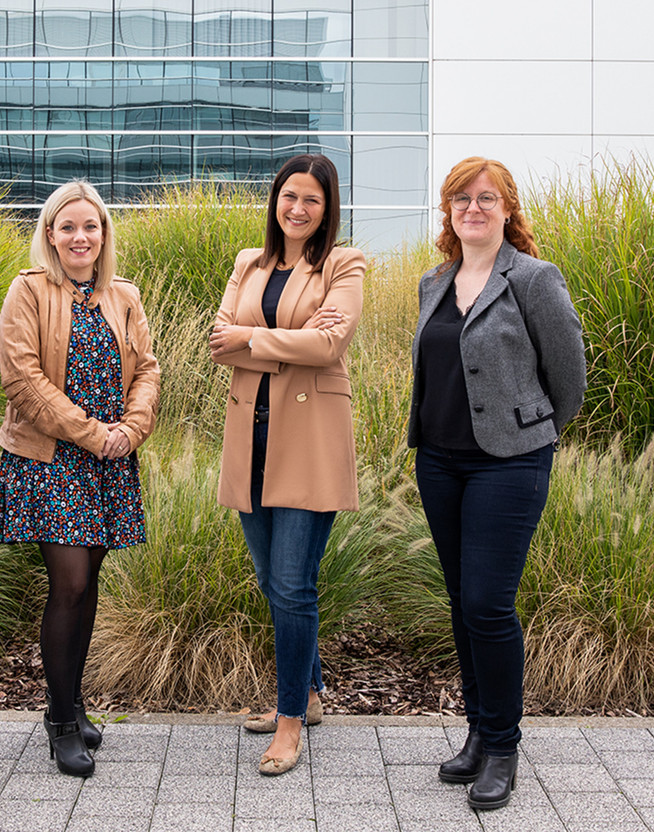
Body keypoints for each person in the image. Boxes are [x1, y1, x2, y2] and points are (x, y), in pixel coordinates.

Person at [408, 157, 586, 810]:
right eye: (461, 198)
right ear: (448, 210)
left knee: (487, 603)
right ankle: (478, 733)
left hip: (508, 463)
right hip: (439, 461)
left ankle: (504, 747)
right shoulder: (434, 282)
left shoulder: (533, 278)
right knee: (462, 602)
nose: (473, 208)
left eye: (487, 198)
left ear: (508, 209)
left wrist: (533, 435)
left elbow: (569, 376)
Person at [0, 180, 160, 778]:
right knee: (69, 584)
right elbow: (22, 378)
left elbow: (147, 370)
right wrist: (92, 433)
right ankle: (61, 722)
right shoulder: (29, 289)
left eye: (91, 226)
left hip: (110, 460)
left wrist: (131, 429)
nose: (80, 237)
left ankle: (72, 702)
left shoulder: (123, 295)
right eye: (68, 227)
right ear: (50, 234)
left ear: (104, 234)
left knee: (89, 587)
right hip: (50, 460)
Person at [209, 154, 365, 776]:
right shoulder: (248, 262)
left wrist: (252, 338)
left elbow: (330, 345)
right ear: (275, 200)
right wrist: (282, 343)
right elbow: (219, 343)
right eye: (289, 196)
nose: (298, 209)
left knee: (294, 583)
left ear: (328, 209)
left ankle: (291, 720)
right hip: (250, 437)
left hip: (309, 440)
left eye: (312, 200)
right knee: (273, 580)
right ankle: (312, 692)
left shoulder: (343, 264)